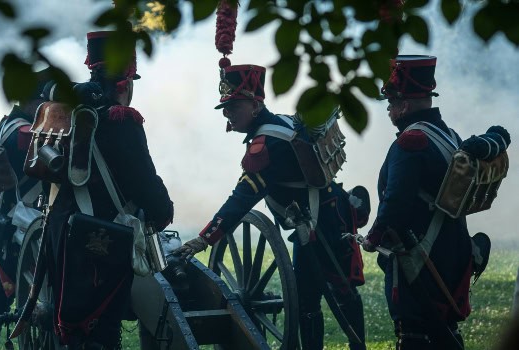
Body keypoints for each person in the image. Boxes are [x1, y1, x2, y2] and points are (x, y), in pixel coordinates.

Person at [174, 63, 369, 350]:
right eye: (225, 109)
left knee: (327, 296)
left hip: (321, 225)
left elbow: (240, 200)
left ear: (254, 105)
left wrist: (203, 239)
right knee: (326, 295)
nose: (227, 114)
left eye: (234, 107)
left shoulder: (264, 145)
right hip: (327, 215)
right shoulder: (282, 122)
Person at [361, 55, 510, 349]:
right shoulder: (449, 135)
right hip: (452, 253)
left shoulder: (410, 142)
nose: (389, 107)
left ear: (403, 103)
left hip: (420, 259)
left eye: (391, 100)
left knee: (414, 334)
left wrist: (373, 238)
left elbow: (395, 205)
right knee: (444, 331)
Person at [42, 30, 173, 349]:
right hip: (105, 238)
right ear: (124, 82)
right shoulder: (122, 121)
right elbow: (144, 182)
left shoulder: (65, 114)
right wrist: (163, 212)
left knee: (73, 326)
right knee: (104, 330)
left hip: (62, 231)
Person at [0, 76, 48, 350]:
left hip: (25, 228)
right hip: (14, 230)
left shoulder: (14, 124)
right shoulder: (21, 133)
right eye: (45, 102)